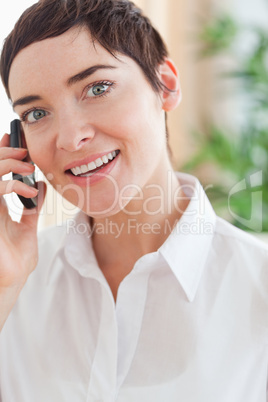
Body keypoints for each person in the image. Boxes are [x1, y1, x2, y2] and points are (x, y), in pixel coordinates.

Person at [0, 0, 267, 401]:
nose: (71, 138)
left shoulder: (258, 288)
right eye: (37, 113)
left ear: (166, 84)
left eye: (98, 88)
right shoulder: (16, 285)